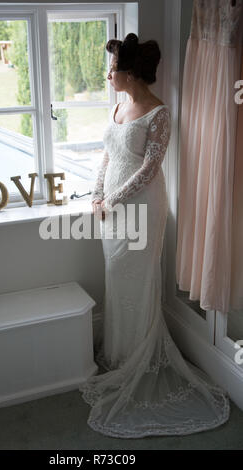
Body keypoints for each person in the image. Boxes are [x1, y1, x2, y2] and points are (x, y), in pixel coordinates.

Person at [78, 33, 230, 438]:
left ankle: (139, 359)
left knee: (138, 279)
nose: (108, 76)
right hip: (110, 207)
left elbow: (148, 169)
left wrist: (112, 198)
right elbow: (107, 154)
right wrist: (97, 196)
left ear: (130, 73)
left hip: (142, 207)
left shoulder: (159, 112)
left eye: (112, 70)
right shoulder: (118, 106)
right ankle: (119, 352)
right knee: (115, 275)